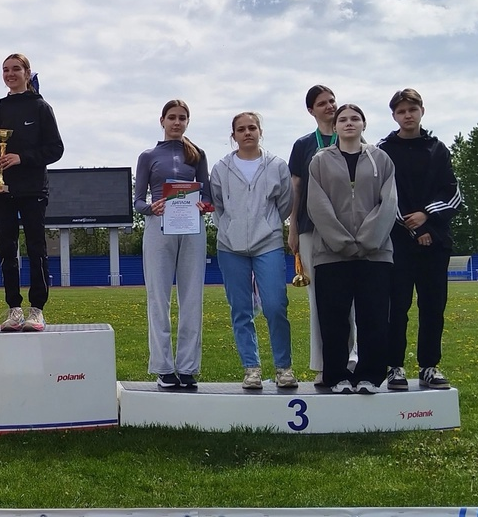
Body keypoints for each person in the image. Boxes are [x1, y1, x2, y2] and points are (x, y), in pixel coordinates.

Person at [307, 104, 396, 394]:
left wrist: (368, 240)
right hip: (332, 254)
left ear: (363, 124)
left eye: (355, 118)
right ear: (334, 127)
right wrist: (342, 241)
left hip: (375, 253)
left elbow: (388, 202)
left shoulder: (381, 159)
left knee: (373, 318)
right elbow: (317, 205)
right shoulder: (320, 161)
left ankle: (370, 376)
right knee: (333, 319)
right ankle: (337, 376)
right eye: (342, 119)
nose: (349, 123)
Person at [377, 88, 460, 390]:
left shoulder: (438, 149)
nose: (407, 115)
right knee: (396, 308)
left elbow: (452, 194)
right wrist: (413, 228)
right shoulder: (383, 150)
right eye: (401, 111)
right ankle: (394, 367)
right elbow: (383, 194)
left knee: (433, 307)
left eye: (412, 109)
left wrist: (426, 217)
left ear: (422, 111)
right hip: (397, 243)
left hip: (435, 242)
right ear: (394, 116)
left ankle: (429, 366)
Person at [210, 112, 296, 389]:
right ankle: (251, 369)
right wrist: (230, 227)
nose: (247, 133)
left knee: (275, 306)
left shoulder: (276, 165)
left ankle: (284, 368)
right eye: (241, 129)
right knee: (241, 310)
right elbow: (217, 206)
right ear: (233, 135)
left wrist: (268, 225)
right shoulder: (221, 168)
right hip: (230, 246)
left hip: (267, 243)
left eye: (252, 128)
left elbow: (285, 203)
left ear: (260, 131)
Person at [0, 53, 64, 332]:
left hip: (33, 190)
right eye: (5, 70)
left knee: (36, 248)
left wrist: (22, 158)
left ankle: (37, 309)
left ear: (27, 73)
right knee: (7, 250)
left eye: (16, 69)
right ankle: (14, 309)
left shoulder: (41, 108)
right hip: (2, 191)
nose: (10, 74)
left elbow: (55, 149)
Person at [134, 99, 210, 390]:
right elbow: (138, 201)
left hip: (192, 227)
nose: (177, 122)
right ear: (162, 121)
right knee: (158, 297)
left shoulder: (197, 155)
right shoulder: (148, 156)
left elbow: (207, 196)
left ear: (188, 122)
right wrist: (151, 208)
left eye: (182, 118)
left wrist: (204, 206)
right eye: (172, 117)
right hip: (159, 226)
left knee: (192, 297)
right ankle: (163, 367)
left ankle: (188, 367)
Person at [287, 85, 357, 385]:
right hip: (310, 228)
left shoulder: (351, 137)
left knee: (350, 297)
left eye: (332, 101)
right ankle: (323, 365)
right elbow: (296, 188)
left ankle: (352, 360)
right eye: (322, 103)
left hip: (347, 229)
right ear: (310, 110)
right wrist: (292, 226)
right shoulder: (303, 145)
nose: (330, 106)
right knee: (318, 299)